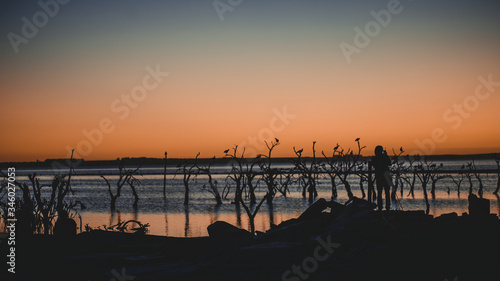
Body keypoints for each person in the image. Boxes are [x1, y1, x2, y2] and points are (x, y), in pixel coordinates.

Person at [371, 145, 392, 211]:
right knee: (386, 192)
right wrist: (386, 155)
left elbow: (373, 164)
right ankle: (387, 207)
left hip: (380, 176)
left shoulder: (374, 158)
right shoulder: (384, 157)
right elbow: (389, 164)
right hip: (385, 176)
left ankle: (380, 207)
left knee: (380, 192)